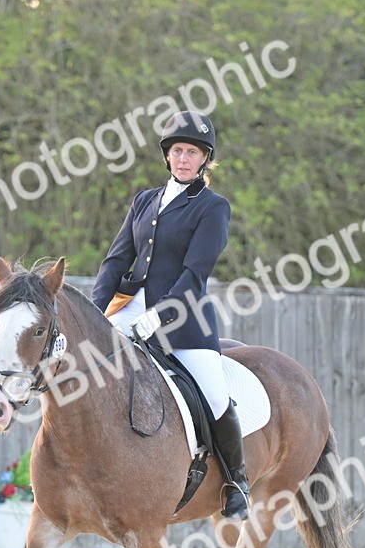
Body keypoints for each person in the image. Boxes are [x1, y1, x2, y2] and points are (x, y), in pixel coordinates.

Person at [91, 110, 249, 520]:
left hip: (184, 320)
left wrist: (159, 316)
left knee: (214, 396)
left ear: (204, 159)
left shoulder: (213, 207)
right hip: (129, 309)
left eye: (192, 152)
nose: (183, 158)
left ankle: (236, 483)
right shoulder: (144, 200)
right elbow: (116, 260)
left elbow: (195, 274)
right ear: (167, 155)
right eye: (177, 150)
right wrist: (95, 311)